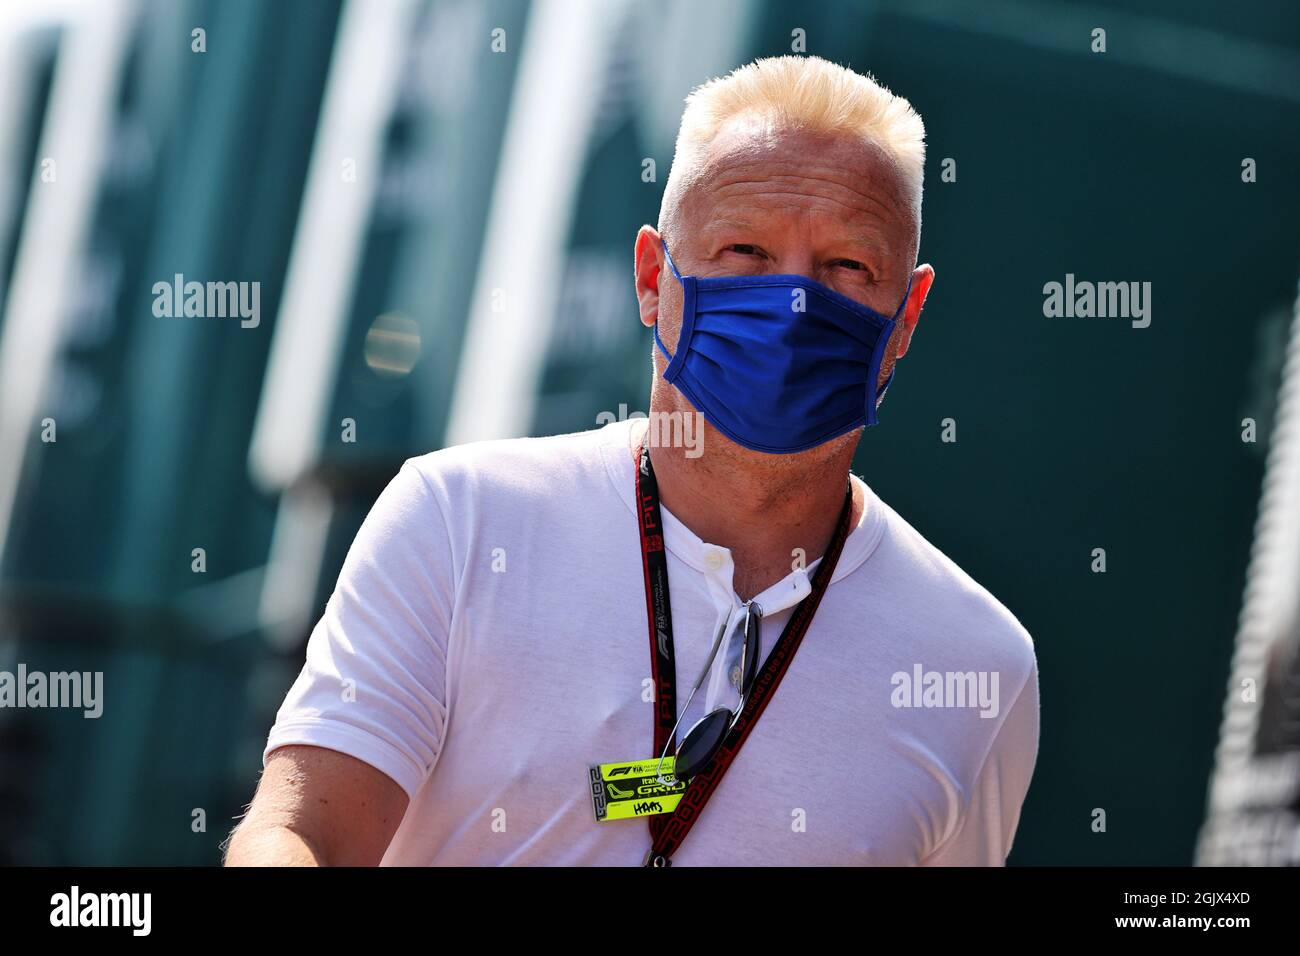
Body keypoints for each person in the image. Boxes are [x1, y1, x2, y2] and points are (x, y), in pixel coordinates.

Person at [225, 54, 1039, 866]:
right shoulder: (462, 520)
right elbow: (301, 834)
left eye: (846, 267)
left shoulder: (977, 666)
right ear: (654, 277)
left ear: (906, 316)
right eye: (745, 252)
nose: (793, 306)